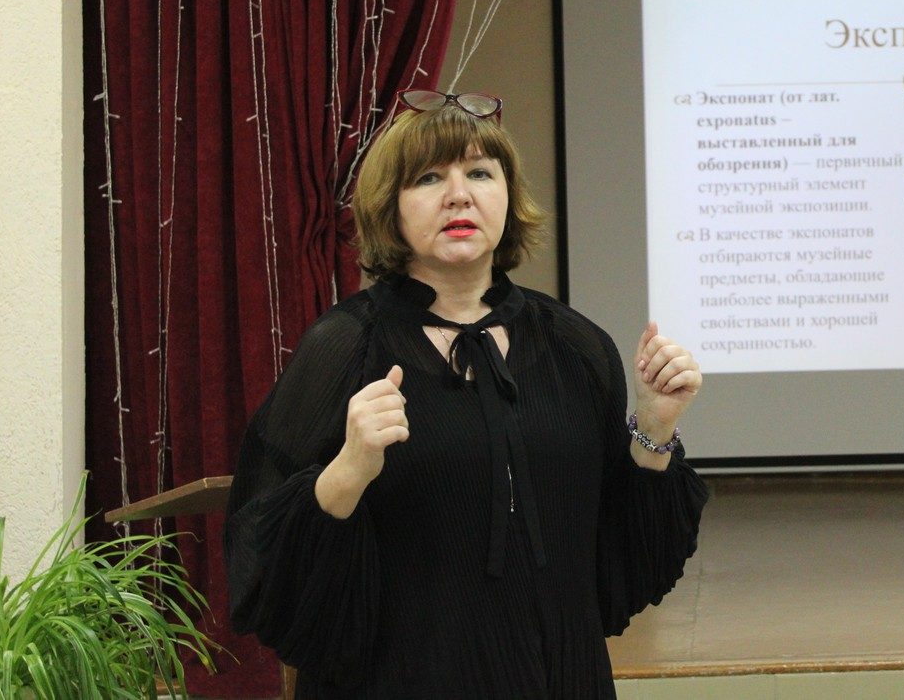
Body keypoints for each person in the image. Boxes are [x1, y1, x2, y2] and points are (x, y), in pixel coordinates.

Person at [224, 90, 708, 698]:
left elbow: (620, 558)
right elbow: (263, 554)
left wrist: (654, 428)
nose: (459, 195)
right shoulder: (344, 346)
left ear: (507, 196)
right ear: (390, 207)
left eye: (480, 173)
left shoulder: (575, 344)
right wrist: (348, 469)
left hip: (556, 676)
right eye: (429, 178)